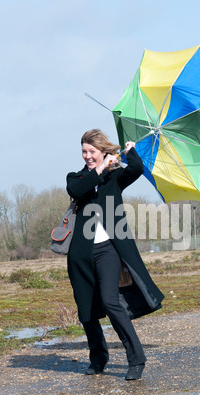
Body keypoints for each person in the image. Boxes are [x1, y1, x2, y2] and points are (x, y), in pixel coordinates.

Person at [66, 129, 164, 380]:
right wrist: (99, 169)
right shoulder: (75, 177)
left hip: (108, 249)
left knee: (111, 301)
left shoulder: (115, 177)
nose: (87, 156)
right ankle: (98, 358)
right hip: (80, 255)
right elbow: (79, 191)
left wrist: (130, 151)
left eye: (92, 152)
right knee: (86, 309)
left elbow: (136, 169)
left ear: (102, 152)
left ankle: (136, 359)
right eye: (84, 152)